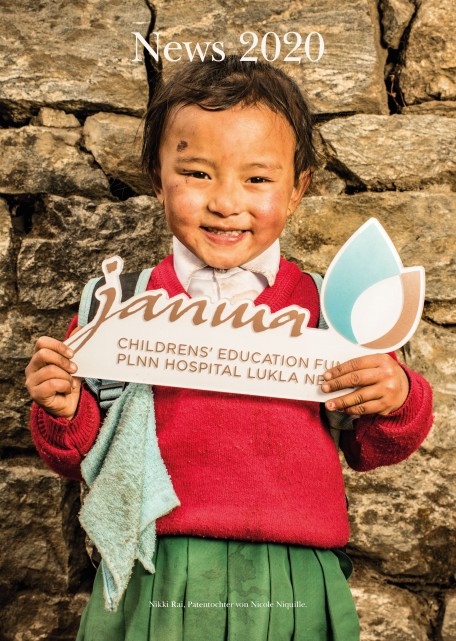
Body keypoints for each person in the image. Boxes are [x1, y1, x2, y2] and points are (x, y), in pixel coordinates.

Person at [25, 55, 433, 641]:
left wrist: (397, 398)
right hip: (156, 569)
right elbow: (79, 453)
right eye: (197, 173)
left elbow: (373, 446)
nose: (225, 201)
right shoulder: (117, 306)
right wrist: (63, 409)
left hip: (296, 575)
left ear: (297, 190)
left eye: (257, 179)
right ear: (157, 177)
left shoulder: (331, 310)